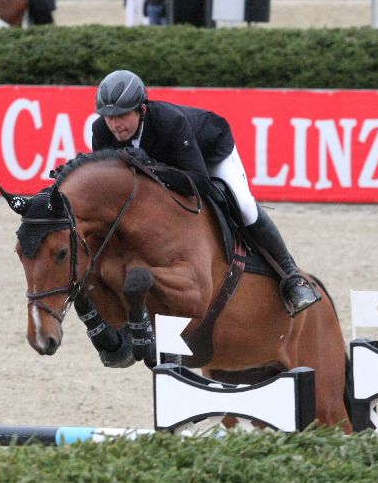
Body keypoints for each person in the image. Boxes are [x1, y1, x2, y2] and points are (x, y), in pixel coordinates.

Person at [89, 70, 321, 315]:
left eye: (122, 115)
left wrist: (149, 166)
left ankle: (292, 277)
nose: (115, 124)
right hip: (169, 167)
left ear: (141, 109)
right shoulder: (102, 132)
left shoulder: (170, 122)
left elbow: (199, 182)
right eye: (108, 117)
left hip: (210, 154)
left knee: (244, 207)